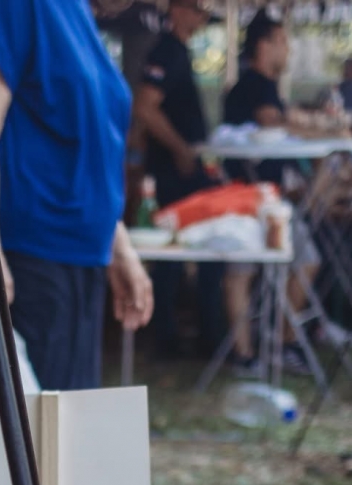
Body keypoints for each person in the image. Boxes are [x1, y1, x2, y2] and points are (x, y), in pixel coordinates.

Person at [0, 0, 154, 392]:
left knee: (68, 441)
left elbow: (84, 146)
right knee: (34, 444)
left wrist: (118, 245)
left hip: (84, 260)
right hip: (33, 260)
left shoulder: (78, 12)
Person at [222, 7, 322, 373]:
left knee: (307, 259)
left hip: (273, 200)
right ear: (263, 45)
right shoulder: (253, 85)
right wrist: (317, 126)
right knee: (240, 273)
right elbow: (273, 120)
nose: (288, 50)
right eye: (282, 41)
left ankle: (282, 341)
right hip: (243, 198)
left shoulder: (267, 87)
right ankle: (243, 353)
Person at [134, 0, 225, 356]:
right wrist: (179, 148)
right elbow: (145, 106)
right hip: (175, 172)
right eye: (196, 9)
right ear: (177, 10)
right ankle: (170, 337)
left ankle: (194, 333)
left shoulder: (178, 51)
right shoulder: (166, 50)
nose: (202, 17)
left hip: (182, 167)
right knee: (173, 254)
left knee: (192, 254)